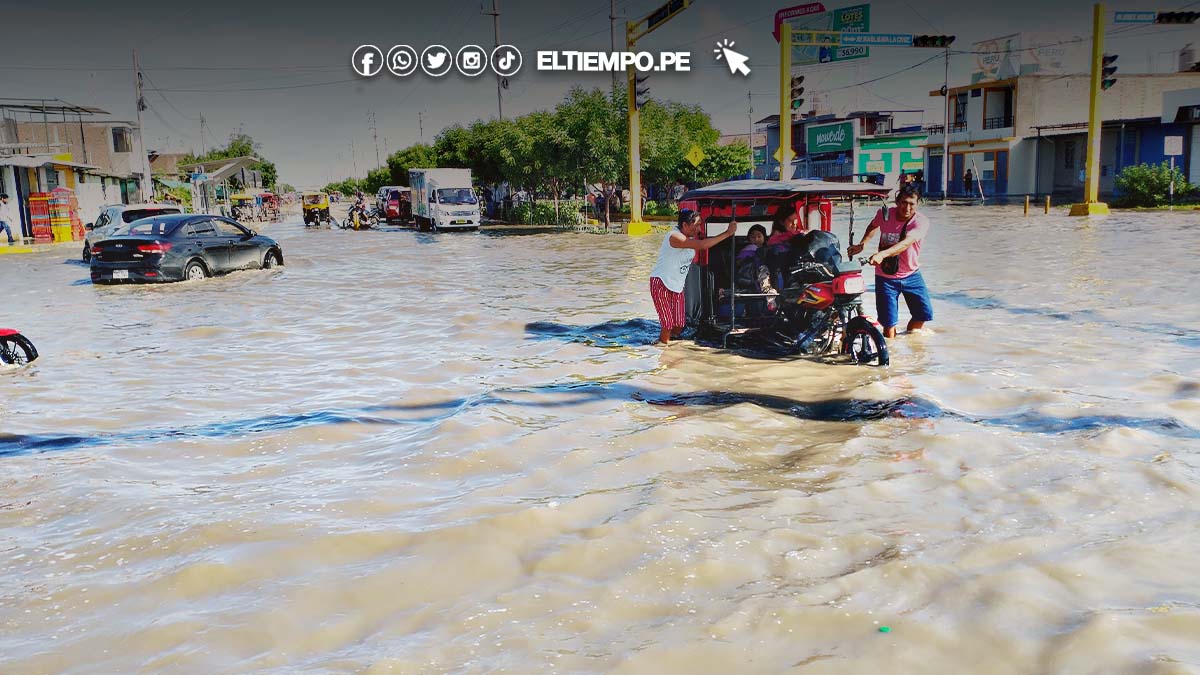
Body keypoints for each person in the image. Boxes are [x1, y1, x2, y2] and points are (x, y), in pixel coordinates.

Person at [847, 184, 933, 338]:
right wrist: (862, 244)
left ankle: (911, 339)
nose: (907, 207)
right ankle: (891, 352)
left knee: (924, 313)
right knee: (889, 323)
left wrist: (882, 255)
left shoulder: (920, 222)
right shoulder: (884, 214)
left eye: (911, 204)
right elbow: (873, 226)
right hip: (885, 277)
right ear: (896, 202)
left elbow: (906, 243)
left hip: (912, 275)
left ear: (918, 204)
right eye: (903, 203)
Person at [650, 209, 737, 344]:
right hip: (661, 282)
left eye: (700, 225)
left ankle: (667, 342)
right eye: (696, 225)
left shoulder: (689, 238)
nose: (699, 228)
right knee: (667, 324)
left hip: (677, 285)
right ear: (684, 225)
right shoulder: (674, 236)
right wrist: (727, 233)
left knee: (679, 324)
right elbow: (702, 245)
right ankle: (662, 350)